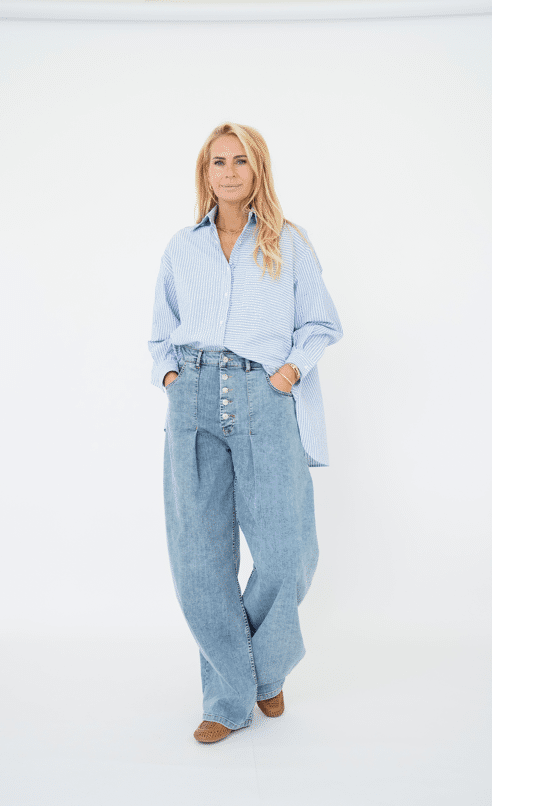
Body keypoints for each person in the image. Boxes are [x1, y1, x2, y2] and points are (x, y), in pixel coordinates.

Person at [148, 122, 343, 743]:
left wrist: (288, 373)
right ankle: (228, 697)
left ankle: (263, 669)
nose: (228, 172)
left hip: (265, 395)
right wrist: (172, 377)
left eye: (240, 161)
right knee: (200, 558)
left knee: (289, 553)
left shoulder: (289, 242)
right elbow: (160, 332)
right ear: (204, 174)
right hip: (194, 397)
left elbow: (321, 323)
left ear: (258, 169)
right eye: (217, 162)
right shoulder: (182, 248)